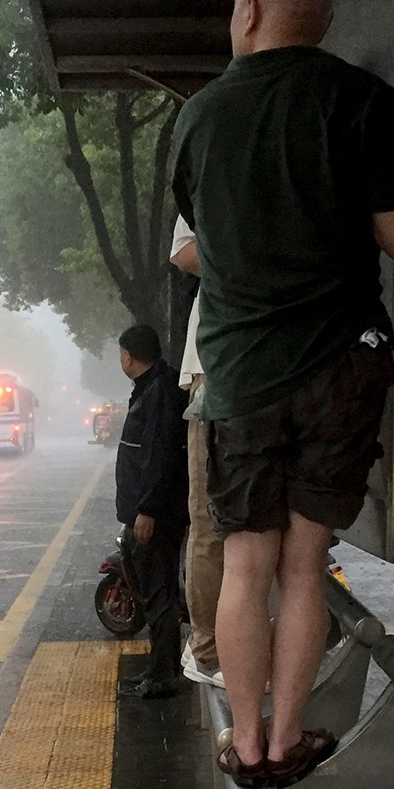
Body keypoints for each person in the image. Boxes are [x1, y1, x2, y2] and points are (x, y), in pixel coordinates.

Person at [171, 0, 394, 786]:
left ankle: (244, 744)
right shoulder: (363, 101)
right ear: (322, 17)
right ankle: (288, 737)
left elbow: (200, 250)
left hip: (241, 378)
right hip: (341, 370)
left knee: (245, 565)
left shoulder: (197, 119)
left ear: (249, 11)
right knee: (303, 562)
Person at [114, 324, 189, 699]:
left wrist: (147, 510)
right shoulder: (154, 386)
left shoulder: (159, 392)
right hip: (149, 512)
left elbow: (159, 456)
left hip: (154, 516)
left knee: (159, 597)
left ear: (128, 355)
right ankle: (160, 669)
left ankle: (162, 677)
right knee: (156, 595)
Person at [170, 215, 225, 689]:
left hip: (284, 365)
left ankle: (241, 646)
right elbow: (183, 250)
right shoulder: (212, 159)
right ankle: (208, 650)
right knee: (210, 521)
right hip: (215, 370)